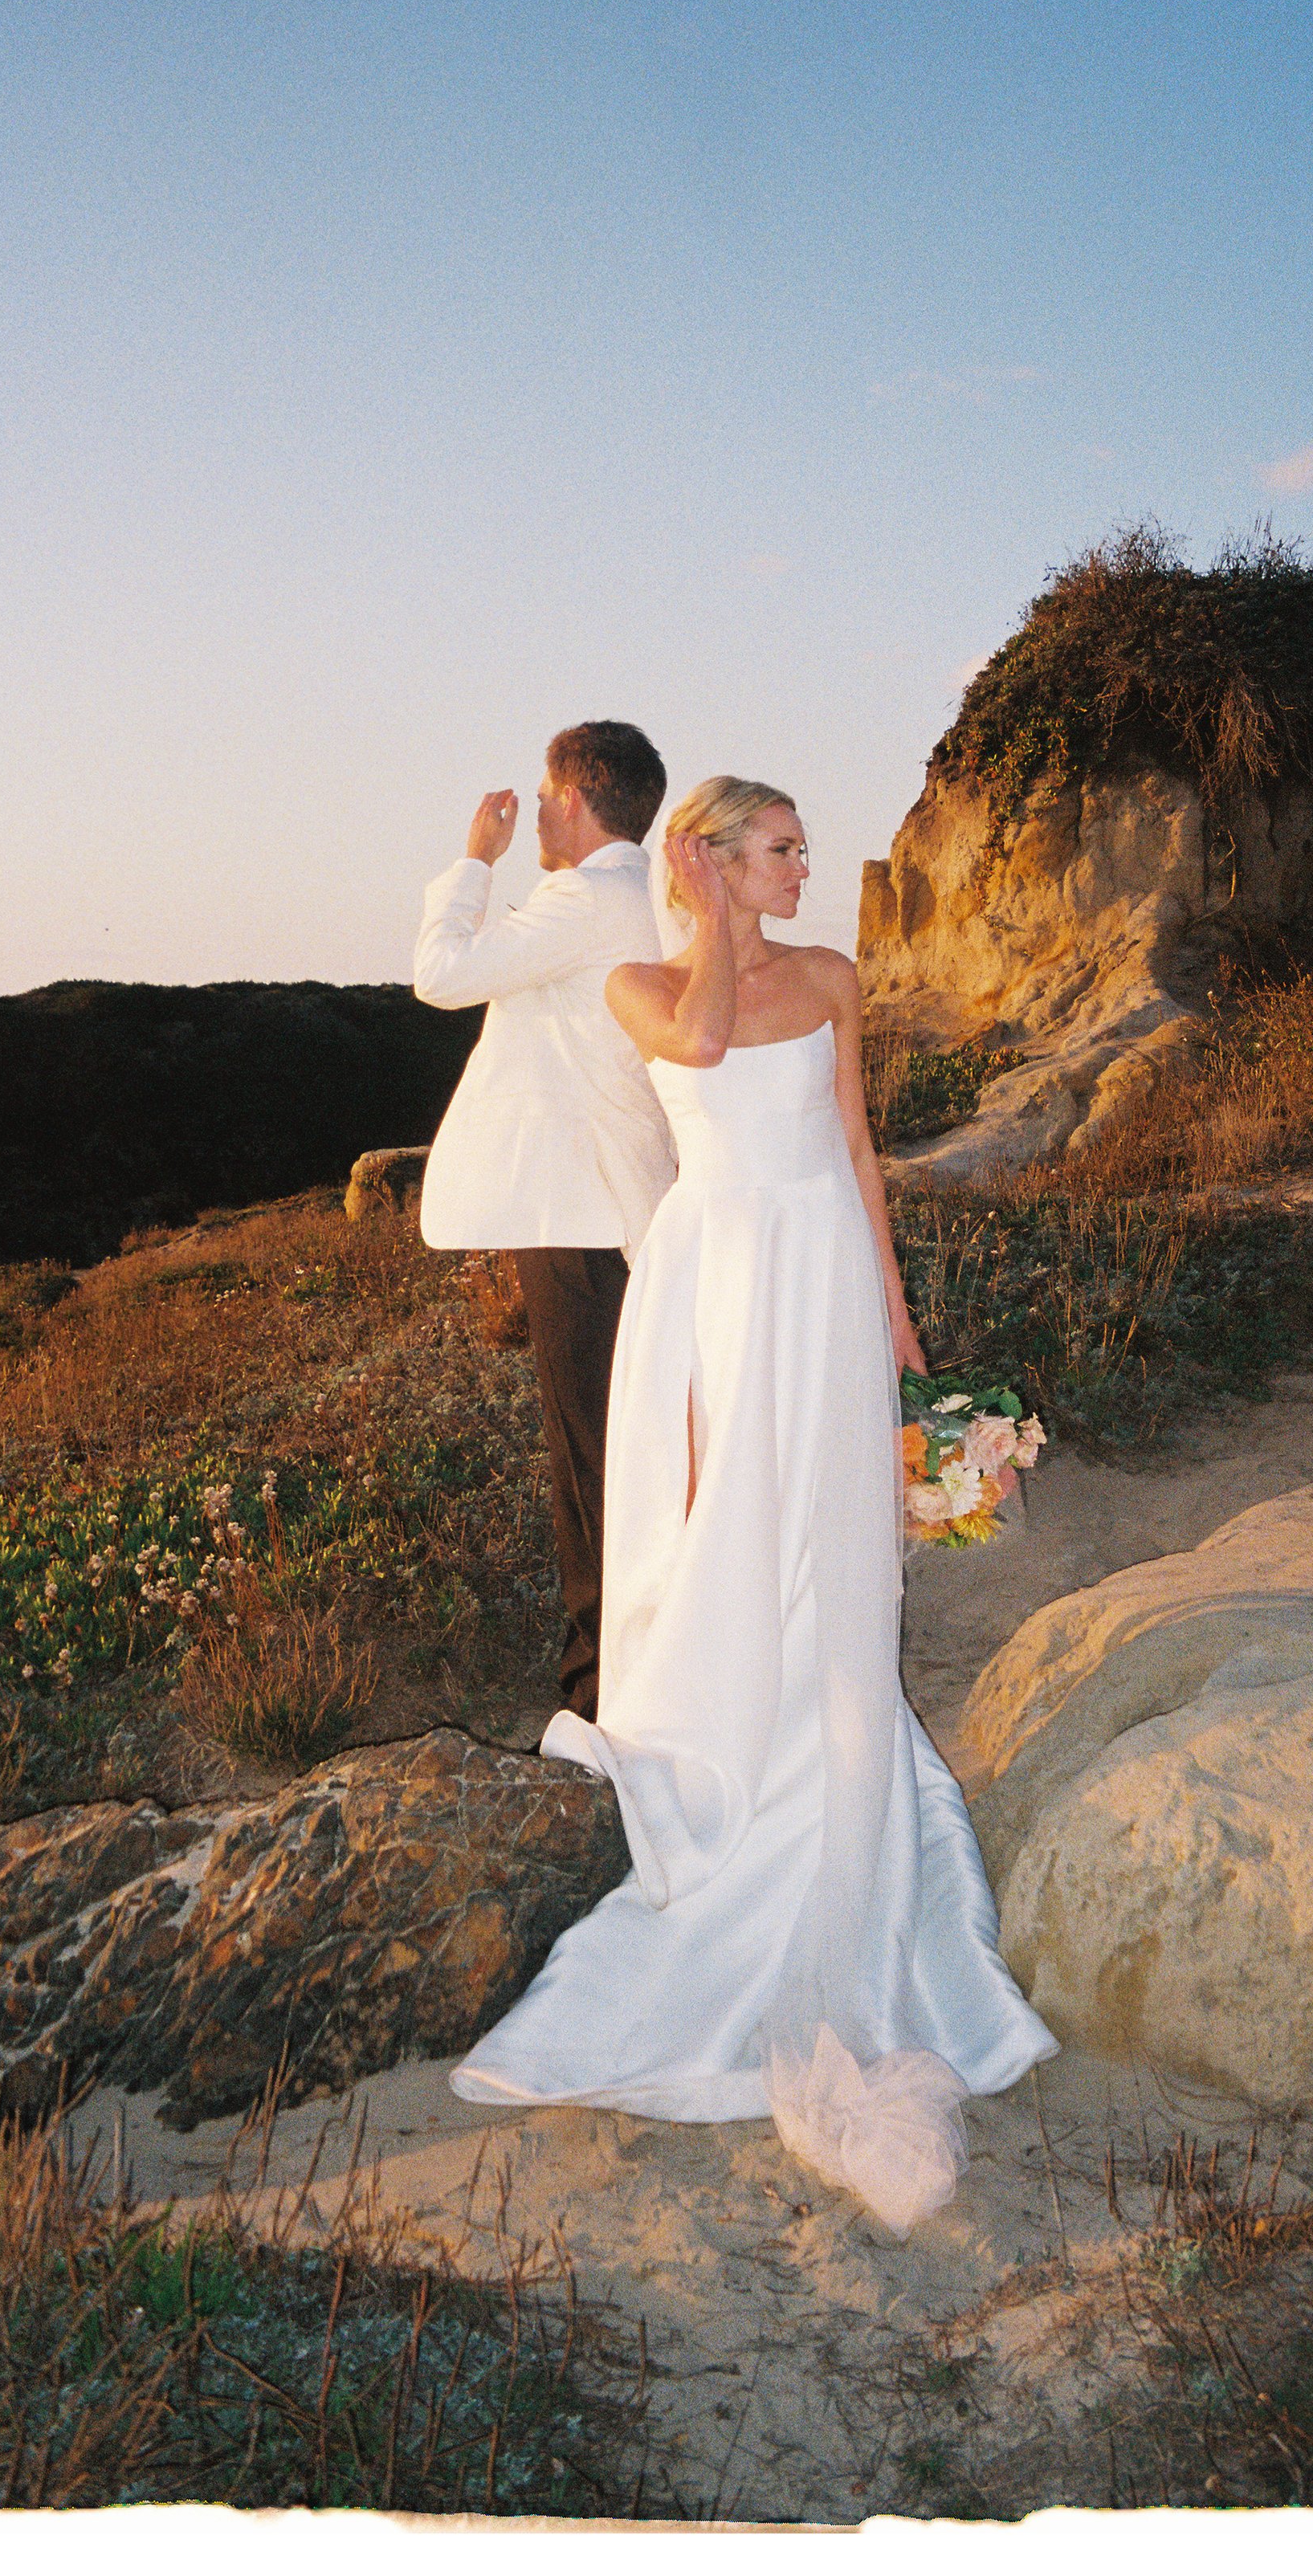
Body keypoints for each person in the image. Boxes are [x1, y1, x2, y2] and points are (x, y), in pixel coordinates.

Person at [451, 776, 1058, 2235]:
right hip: (714, 1282)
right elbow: (709, 1042)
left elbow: (856, 1149)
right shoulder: (640, 979)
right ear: (710, 860)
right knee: (726, 1530)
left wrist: (899, 1310)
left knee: (835, 1542)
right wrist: (711, 918)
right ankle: (726, 1760)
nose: (804, 866)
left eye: (797, 848)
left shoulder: (840, 977)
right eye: (776, 849)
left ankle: (832, 1768)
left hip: (826, 1270)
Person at [414, 721, 676, 1721]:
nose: (530, 817)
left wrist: (471, 862)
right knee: (609, 1453)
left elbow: (440, 973)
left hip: (578, 1216)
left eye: (541, 796)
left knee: (592, 1464)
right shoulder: (621, 895)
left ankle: (606, 1699)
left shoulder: (587, 896)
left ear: (572, 797)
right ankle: (621, 1680)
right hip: (600, 1209)